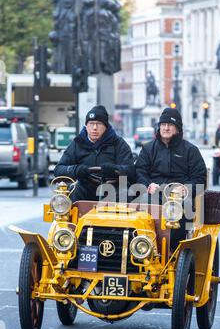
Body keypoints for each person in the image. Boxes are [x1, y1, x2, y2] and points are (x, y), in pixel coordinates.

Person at [135, 107, 207, 249]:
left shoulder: (190, 150)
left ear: (178, 129)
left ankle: (172, 250)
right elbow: (139, 171)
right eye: (163, 124)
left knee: (179, 209)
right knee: (142, 204)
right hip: (154, 193)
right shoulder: (148, 149)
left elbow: (200, 178)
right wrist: (148, 185)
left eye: (170, 125)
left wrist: (186, 188)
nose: (166, 128)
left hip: (178, 196)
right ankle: (143, 247)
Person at [54, 105, 135, 202]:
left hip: (114, 189)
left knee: (125, 194)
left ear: (106, 126)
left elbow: (131, 171)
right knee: (73, 193)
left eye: (99, 124)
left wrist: (114, 169)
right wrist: (76, 170)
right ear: (86, 126)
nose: (95, 128)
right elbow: (58, 170)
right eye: (91, 123)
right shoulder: (77, 143)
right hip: (85, 187)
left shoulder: (118, 144)